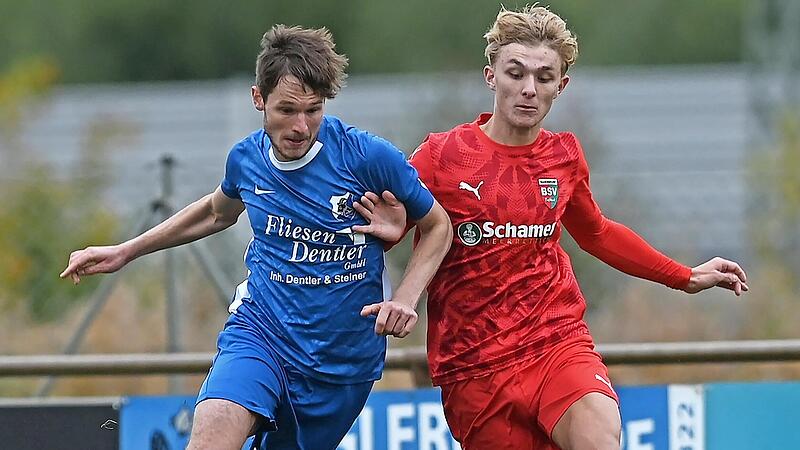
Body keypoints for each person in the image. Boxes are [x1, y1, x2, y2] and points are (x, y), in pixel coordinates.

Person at [353, 6, 748, 450]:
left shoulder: (564, 157)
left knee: (599, 431)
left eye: (543, 78)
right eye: (515, 73)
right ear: (491, 76)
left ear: (561, 86)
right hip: (475, 366)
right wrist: (392, 234)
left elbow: (596, 232)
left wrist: (685, 276)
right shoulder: (442, 155)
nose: (528, 89)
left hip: (556, 341)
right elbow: (392, 228)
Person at [59, 25, 452, 450]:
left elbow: (438, 225)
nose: (301, 126)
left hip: (341, 363)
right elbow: (214, 212)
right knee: (213, 430)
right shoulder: (246, 160)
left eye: (313, 110)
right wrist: (125, 251)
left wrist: (406, 298)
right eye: (287, 110)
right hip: (262, 331)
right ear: (258, 99)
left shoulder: (367, 157)